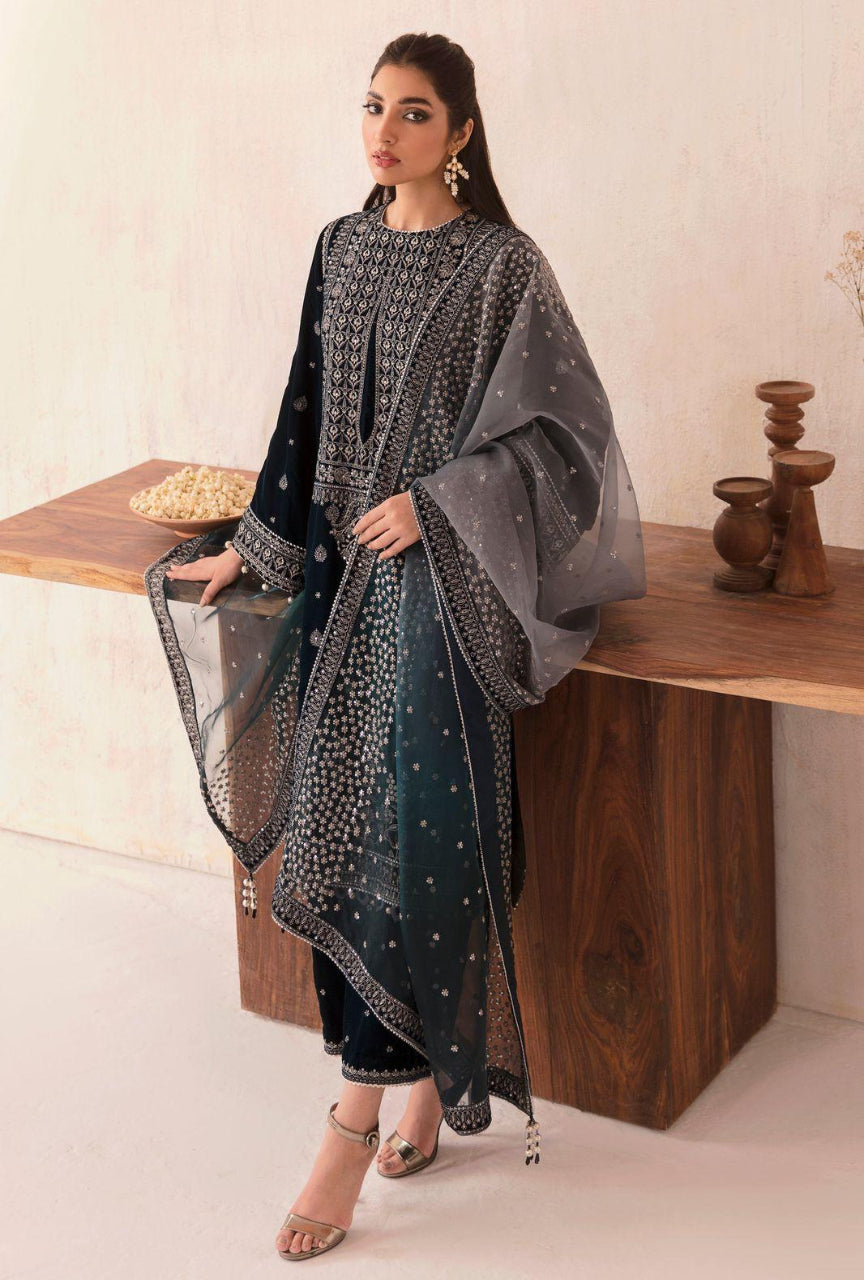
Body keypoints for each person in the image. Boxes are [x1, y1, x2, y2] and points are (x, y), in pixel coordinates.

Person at [144, 31, 646, 1262]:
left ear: (462, 133)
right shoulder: (342, 245)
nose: (385, 130)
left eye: (415, 113)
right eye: (373, 106)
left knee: (416, 831)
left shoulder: (502, 268)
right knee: (341, 819)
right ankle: (417, 1076)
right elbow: (301, 407)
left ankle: (349, 1120)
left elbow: (567, 440)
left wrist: (438, 501)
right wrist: (253, 548)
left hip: (439, 588)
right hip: (332, 580)